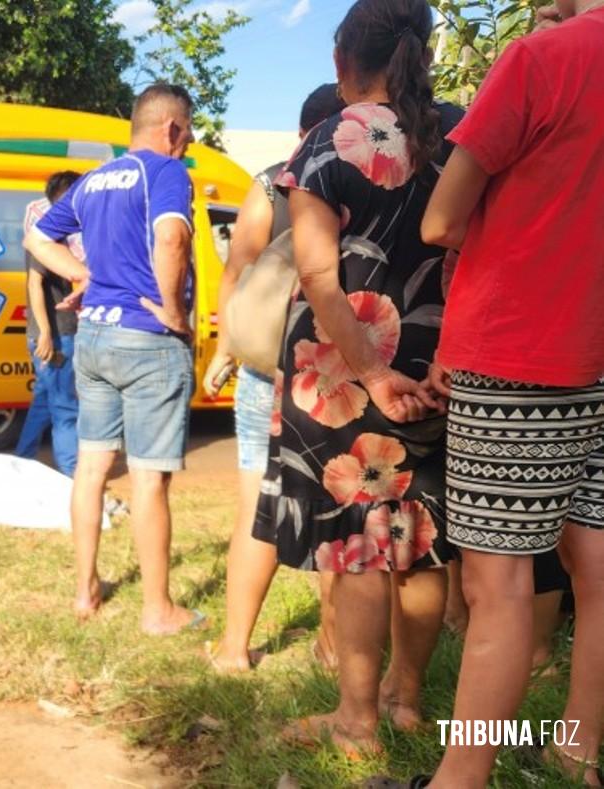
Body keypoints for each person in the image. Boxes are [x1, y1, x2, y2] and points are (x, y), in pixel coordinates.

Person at [251, 0, 462, 759]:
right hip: (439, 364)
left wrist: (370, 372)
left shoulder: (323, 143)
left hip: (342, 370)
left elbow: (317, 273)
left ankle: (357, 720)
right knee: (421, 536)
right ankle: (407, 701)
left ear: (343, 63)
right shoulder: (457, 135)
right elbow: (476, 252)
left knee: (364, 542)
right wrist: (443, 353)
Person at [413, 1, 604, 785]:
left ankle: (462, 777)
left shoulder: (542, 59)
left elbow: (440, 218)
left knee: (497, 586)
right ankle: (580, 752)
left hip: (524, 351)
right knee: (598, 571)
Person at [25, 84, 204, 634]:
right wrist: (175, 312)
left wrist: (84, 276)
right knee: (149, 478)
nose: (188, 144)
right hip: (148, 340)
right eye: (189, 133)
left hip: (96, 338)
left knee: (92, 466)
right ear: (172, 128)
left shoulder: (93, 180)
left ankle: (85, 591)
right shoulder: (166, 172)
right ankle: (158, 611)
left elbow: (37, 238)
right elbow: (172, 241)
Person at [204, 84, 347, 673]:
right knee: (344, 510)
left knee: (253, 511)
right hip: (339, 371)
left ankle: (234, 648)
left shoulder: (270, 183)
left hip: (269, 367)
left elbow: (237, 271)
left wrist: (223, 347)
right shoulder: (376, 177)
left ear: (301, 130)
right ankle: (333, 650)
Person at [13, 171, 82, 476]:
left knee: (44, 401)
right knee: (65, 408)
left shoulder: (60, 236)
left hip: (58, 332)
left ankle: (22, 461)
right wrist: (45, 334)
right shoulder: (47, 236)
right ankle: (71, 476)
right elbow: (34, 285)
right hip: (57, 334)